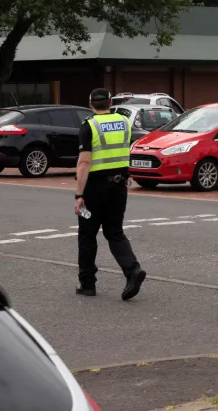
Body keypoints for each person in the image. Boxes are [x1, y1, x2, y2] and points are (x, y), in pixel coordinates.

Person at [75, 88, 146, 300]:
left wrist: (79, 195)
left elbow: (84, 162)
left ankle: (87, 283)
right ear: (111, 102)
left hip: (95, 187)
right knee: (114, 232)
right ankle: (132, 269)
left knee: (87, 235)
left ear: (90, 104)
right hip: (119, 186)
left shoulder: (89, 126)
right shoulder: (124, 122)